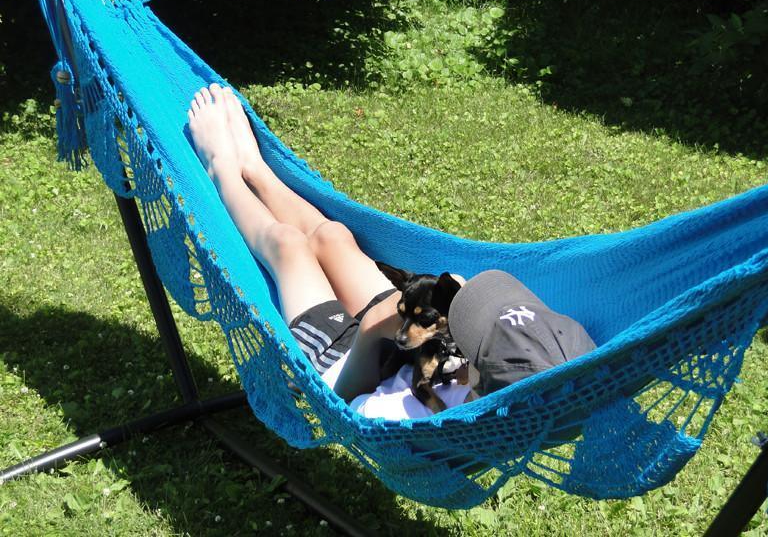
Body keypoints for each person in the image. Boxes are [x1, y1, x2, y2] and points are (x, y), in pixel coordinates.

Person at [188, 84, 596, 419]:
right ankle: (255, 168)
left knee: (288, 245)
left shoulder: (414, 419)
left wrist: (369, 333)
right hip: (396, 339)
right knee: (332, 235)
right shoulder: (549, 358)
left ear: (481, 383)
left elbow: (348, 406)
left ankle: (222, 168)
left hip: (342, 364)